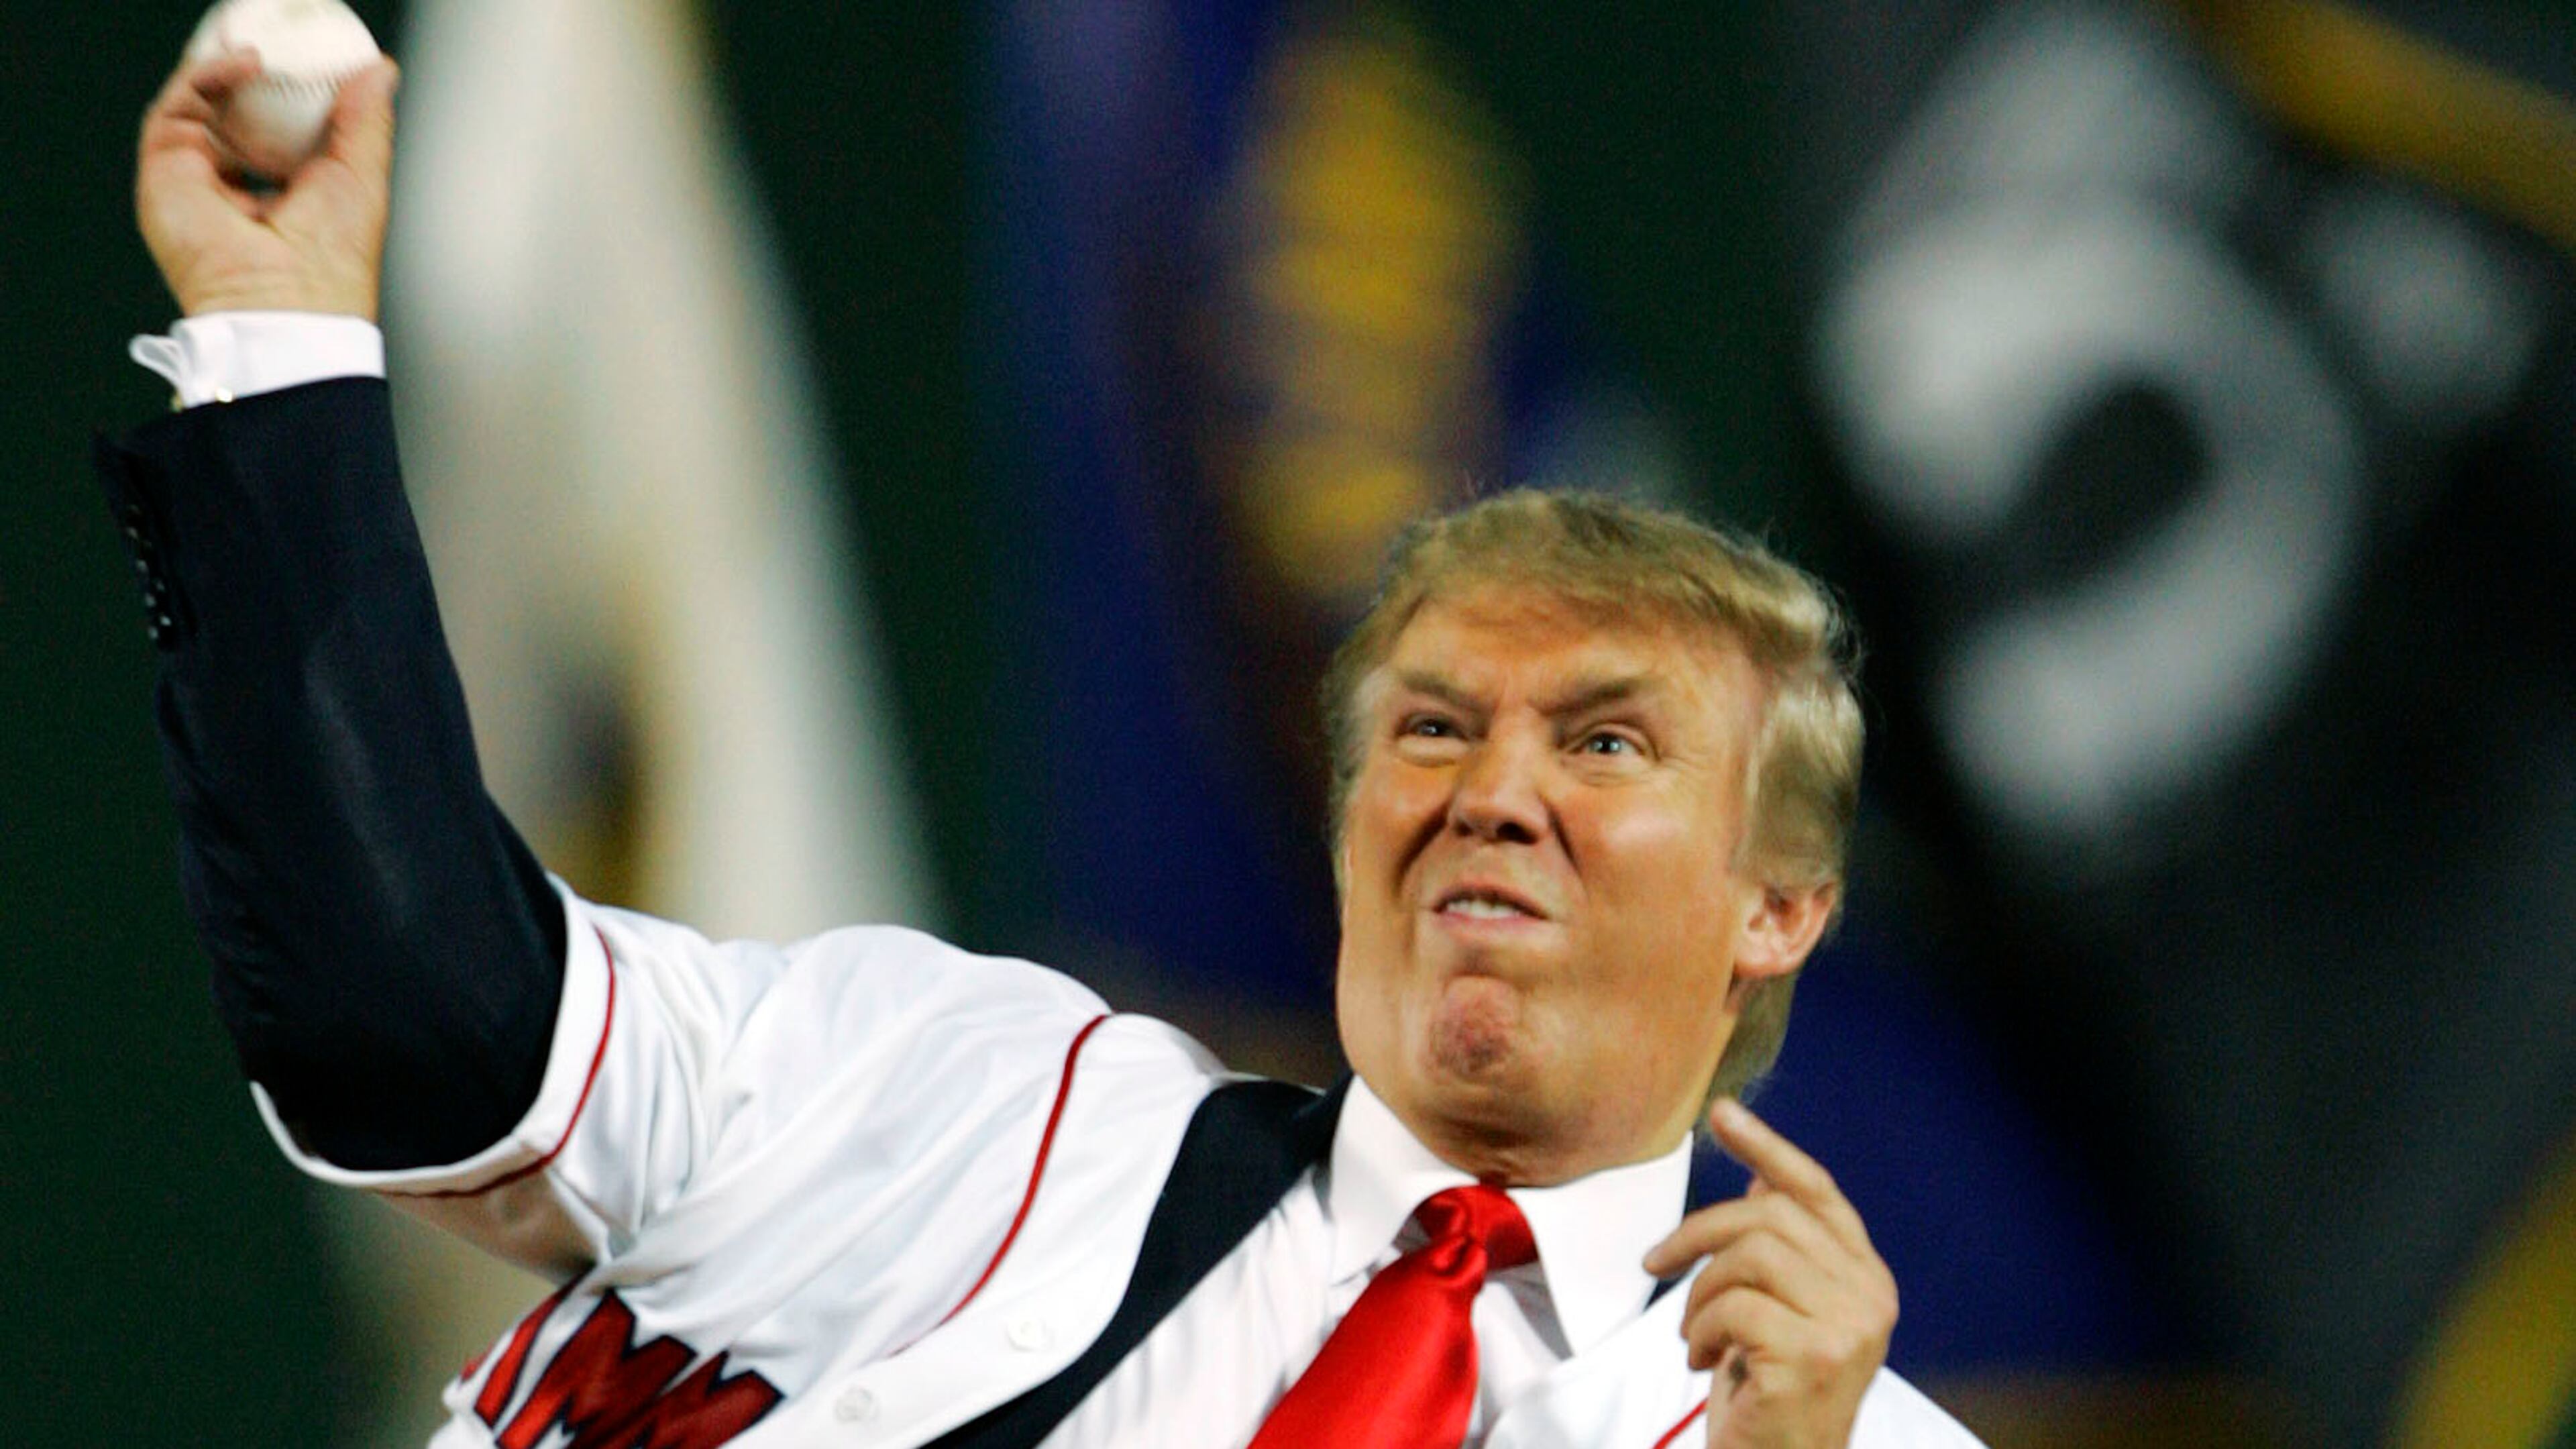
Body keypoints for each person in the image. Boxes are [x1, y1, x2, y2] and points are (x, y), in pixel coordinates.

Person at [103, 51, 1984, 1449]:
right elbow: (418, 1023)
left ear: (1780, 906)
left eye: (1604, 741)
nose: (1495, 790)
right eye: (1431, 728)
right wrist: (277, 341)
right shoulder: (959, 1099)